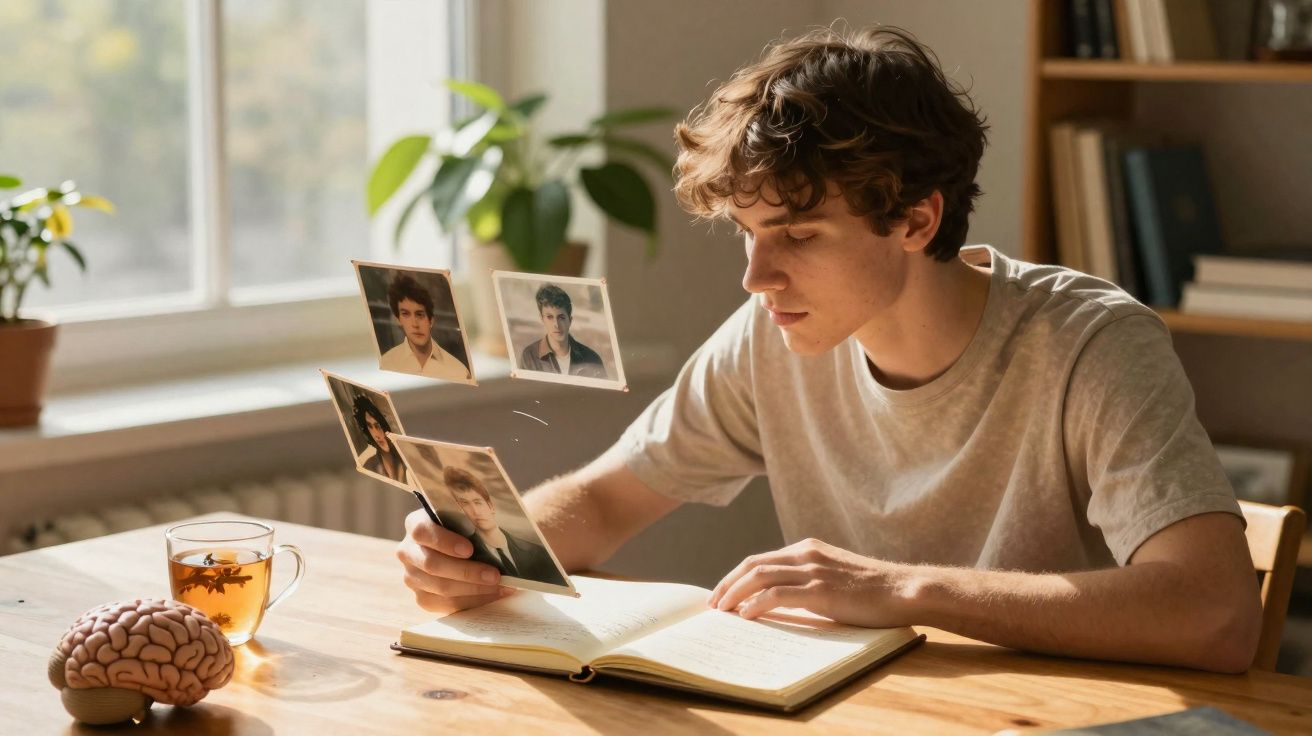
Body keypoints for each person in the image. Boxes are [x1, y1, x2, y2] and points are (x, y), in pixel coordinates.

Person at [396, 26, 1261, 673]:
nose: (756, 277)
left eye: (798, 236)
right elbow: (607, 501)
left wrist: (902, 590)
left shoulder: (1092, 344)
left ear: (917, 219)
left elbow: (1217, 613)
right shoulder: (771, 340)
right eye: (746, 234)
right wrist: (482, 544)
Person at [441, 466, 563, 584]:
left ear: (491, 506)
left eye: (477, 502)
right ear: (461, 509)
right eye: (465, 504)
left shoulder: (537, 552)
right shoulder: (463, 560)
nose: (475, 511)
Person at [378, 273, 470, 381]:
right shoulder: (387, 363)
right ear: (398, 320)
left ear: (431, 320)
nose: (415, 324)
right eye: (406, 314)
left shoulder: (459, 371)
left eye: (420, 315)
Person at [518, 284, 607, 379]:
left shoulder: (592, 359)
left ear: (570, 320)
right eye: (549, 317)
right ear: (542, 319)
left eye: (561, 317)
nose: (556, 324)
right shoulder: (529, 356)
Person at [352, 395, 407, 485]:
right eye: (370, 426)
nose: (376, 434)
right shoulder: (370, 465)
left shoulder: (406, 464)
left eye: (378, 426)